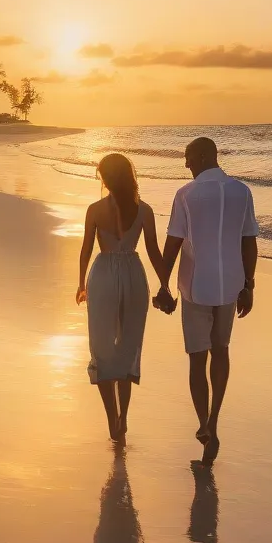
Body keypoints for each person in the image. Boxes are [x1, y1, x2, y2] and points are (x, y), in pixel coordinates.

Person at [154, 137, 259, 465]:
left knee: (198, 359)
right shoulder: (242, 191)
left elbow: (172, 244)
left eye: (187, 157)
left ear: (201, 156)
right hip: (231, 285)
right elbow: (249, 242)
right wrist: (249, 286)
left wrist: (163, 287)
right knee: (221, 350)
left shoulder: (186, 194)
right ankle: (213, 420)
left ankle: (203, 424)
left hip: (196, 285)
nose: (186, 164)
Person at [77, 153, 172, 442]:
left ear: (106, 178)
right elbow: (154, 251)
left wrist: (81, 284)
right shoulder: (144, 210)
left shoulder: (94, 210)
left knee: (103, 349)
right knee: (128, 347)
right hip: (133, 275)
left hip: (104, 274)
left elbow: (85, 249)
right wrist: (165, 284)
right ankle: (124, 417)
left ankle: (112, 422)